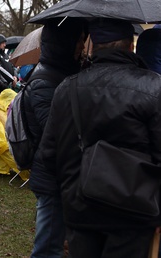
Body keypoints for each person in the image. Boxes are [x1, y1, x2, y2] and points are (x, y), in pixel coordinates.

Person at [40, 18, 161, 257]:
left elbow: (49, 154)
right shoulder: (154, 87)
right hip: (133, 211)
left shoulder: (67, 87)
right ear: (130, 46)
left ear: (93, 45)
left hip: (80, 209)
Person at [23, 18, 87, 258]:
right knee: (48, 248)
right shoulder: (44, 82)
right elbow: (57, 133)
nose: (82, 45)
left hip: (63, 174)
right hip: (53, 177)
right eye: (79, 40)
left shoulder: (62, 73)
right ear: (65, 42)